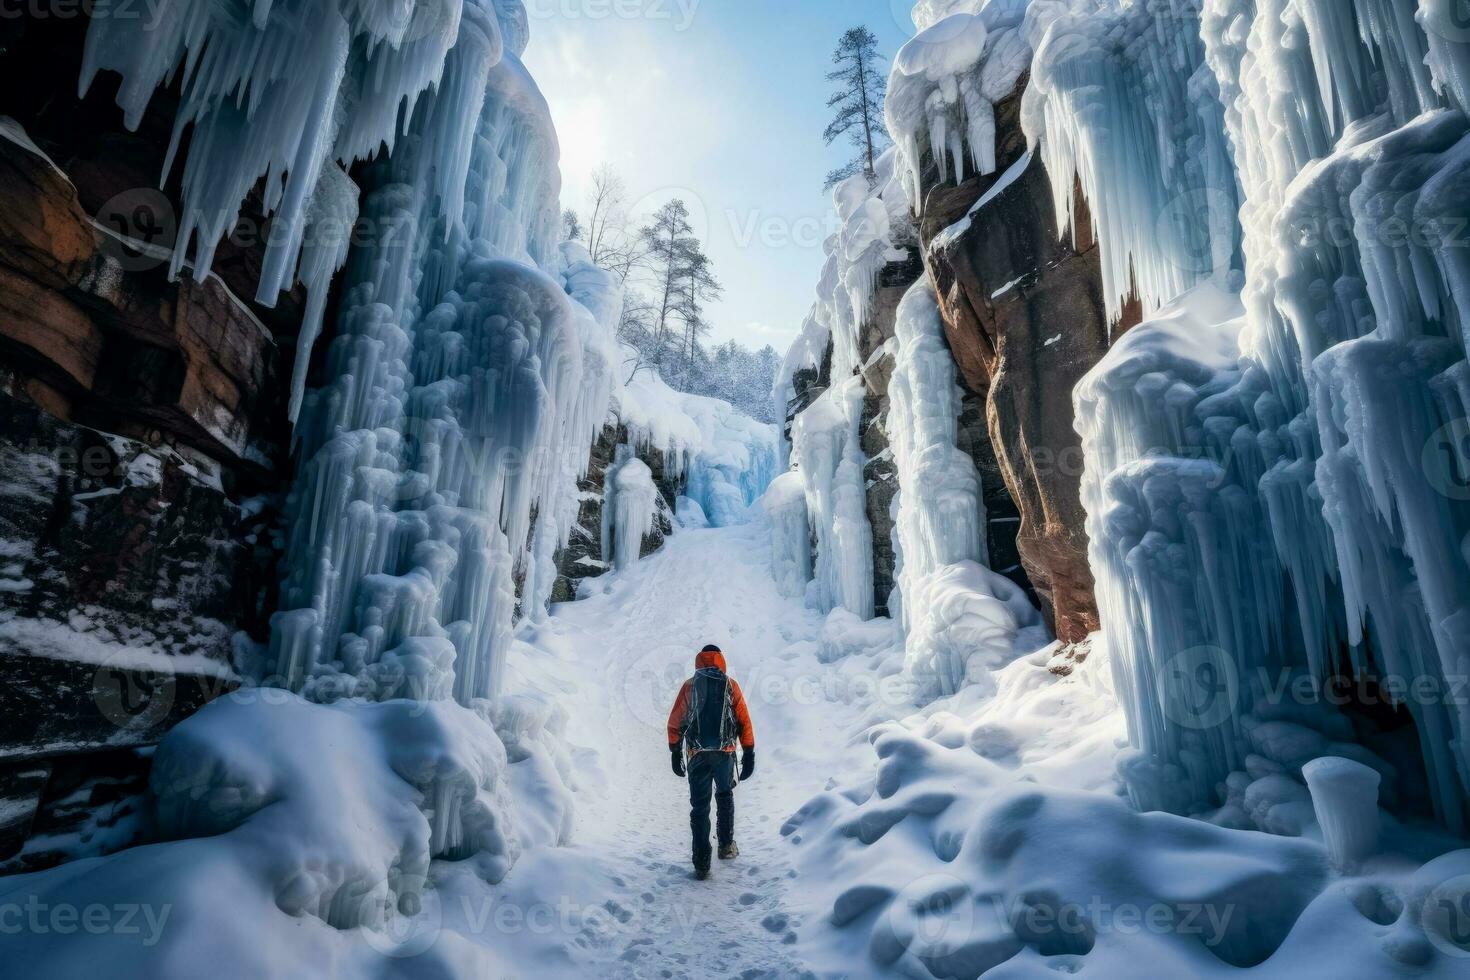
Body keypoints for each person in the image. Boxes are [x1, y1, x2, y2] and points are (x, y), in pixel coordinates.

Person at [666, 644, 756, 880]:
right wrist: (749, 752)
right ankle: (726, 847)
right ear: (720, 660)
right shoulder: (729, 684)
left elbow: (676, 721)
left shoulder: (690, 686)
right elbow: (744, 720)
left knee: (700, 808)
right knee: (725, 797)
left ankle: (701, 862)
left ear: (699, 660)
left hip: (697, 754)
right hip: (724, 753)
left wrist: (675, 751)